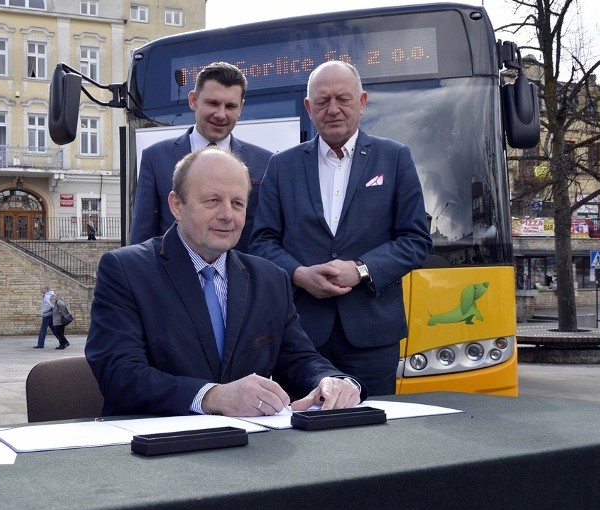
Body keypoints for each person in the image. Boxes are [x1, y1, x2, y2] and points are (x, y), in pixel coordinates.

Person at [86, 148, 365, 417]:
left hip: (248, 451)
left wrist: (332, 381)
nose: (227, 215)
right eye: (212, 201)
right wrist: (212, 397)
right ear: (176, 205)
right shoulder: (126, 270)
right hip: (155, 448)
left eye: (237, 203)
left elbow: (299, 359)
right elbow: (118, 374)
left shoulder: (270, 279)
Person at [250, 61, 432, 396]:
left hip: (372, 337)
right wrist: (299, 274)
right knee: (302, 433)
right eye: (322, 101)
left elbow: (415, 239)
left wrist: (361, 270)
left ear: (362, 102)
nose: (333, 109)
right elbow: (261, 241)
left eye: (343, 99)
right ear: (309, 108)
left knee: (372, 435)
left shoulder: (394, 158)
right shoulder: (281, 166)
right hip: (301, 335)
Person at [129, 61, 272, 252]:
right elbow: (142, 239)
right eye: (212, 103)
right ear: (193, 100)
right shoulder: (155, 159)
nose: (221, 114)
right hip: (171, 279)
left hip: (242, 280)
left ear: (241, 107)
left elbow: (266, 239)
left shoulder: (264, 163)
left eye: (230, 106)